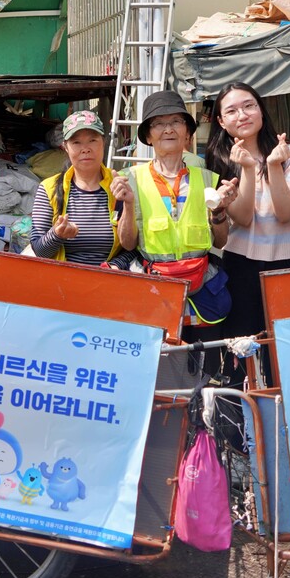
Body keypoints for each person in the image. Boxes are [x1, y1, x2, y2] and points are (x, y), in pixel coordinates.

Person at [110, 90, 238, 374]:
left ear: (187, 133)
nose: (168, 129)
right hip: (156, 289)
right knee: (159, 372)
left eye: (176, 122)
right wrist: (128, 204)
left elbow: (220, 240)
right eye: (158, 123)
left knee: (206, 371)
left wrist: (219, 211)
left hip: (203, 289)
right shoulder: (131, 179)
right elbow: (128, 242)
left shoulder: (207, 179)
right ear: (148, 136)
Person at [205, 82, 290, 385]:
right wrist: (248, 169)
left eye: (249, 105)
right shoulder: (221, 161)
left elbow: (285, 212)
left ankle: (282, 410)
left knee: (283, 349)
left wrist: (273, 165)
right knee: (238, 351)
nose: (242, 115)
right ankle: (236, 413)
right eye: (231, 111)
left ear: (261, 109)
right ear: (221, 121)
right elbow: (244, 218)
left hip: (284, 265)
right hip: (240, 264)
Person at [29, 110, 134, 268]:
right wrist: (56, 235)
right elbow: (39, 251)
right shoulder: (49, 188)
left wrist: (116, 265)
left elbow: (135, 246)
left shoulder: (121, 186)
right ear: (65, 147)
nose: (85, 149)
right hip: (61, 280)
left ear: (103, 142)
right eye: (76, 142)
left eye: (92, 140)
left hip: (108, 279)